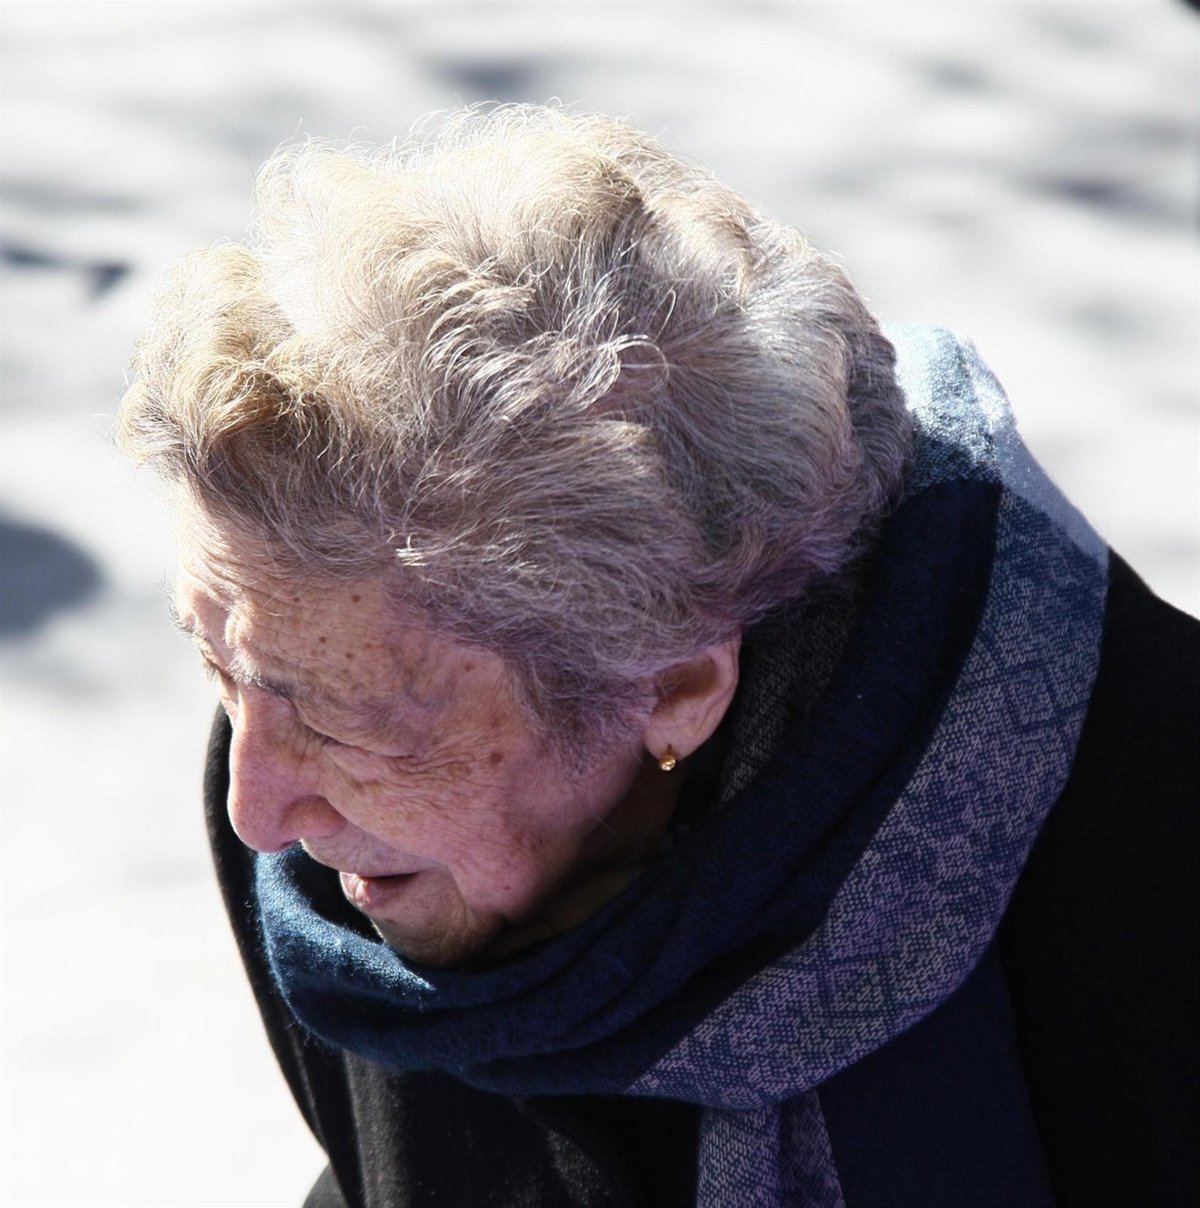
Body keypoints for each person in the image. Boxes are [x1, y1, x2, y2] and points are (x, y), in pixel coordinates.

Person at [117, 106, 1197, 1208]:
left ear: (676, 687)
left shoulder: (1149, 872)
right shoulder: (312, 762)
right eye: (219, 667)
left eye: (350, 722)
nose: (257, 810)